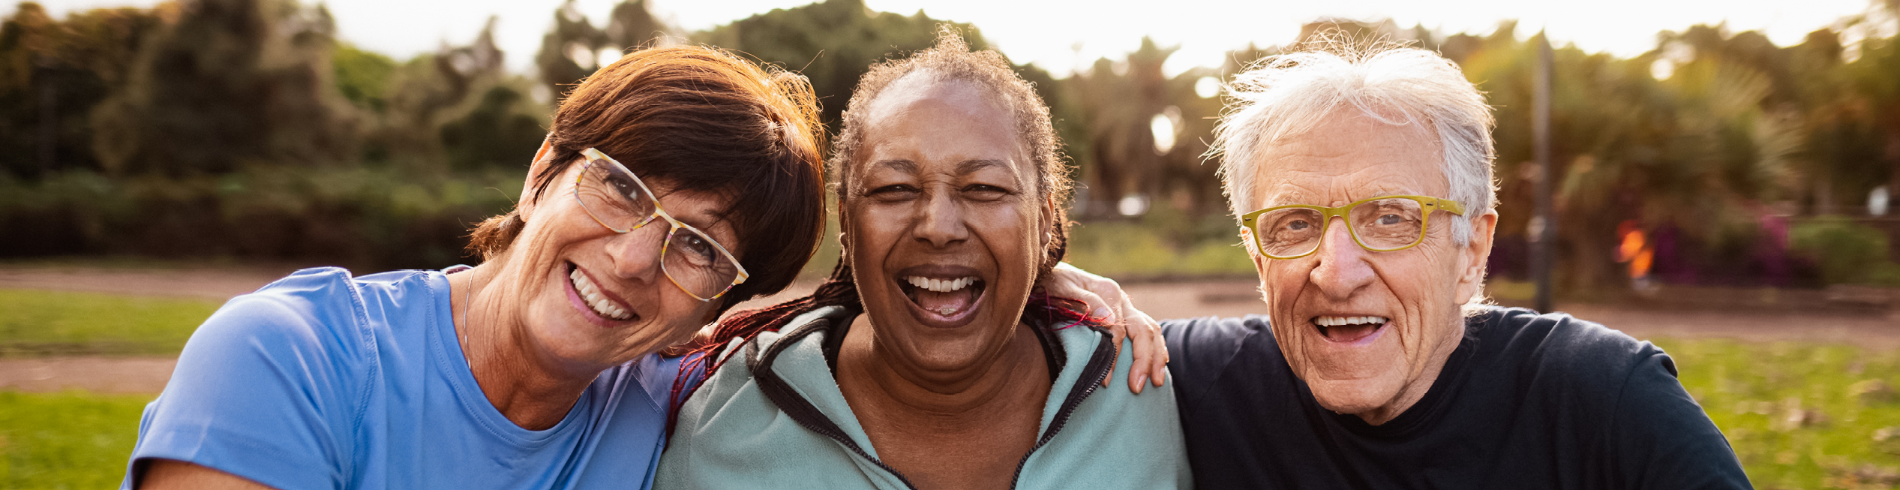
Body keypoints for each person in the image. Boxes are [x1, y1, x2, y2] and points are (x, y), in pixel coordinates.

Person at [119, 43, 1161, 490]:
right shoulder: (288, 357)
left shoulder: (666, 395)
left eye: (698, 248)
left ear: (715, 299)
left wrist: (1032, 283)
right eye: (620, 187)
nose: (630, 260)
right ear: (543, 169)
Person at [1146, 43, 1754, 488]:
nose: (1336, 272)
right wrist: (1064, 285)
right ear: (1259, 260)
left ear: (1472, 252)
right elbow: (1053, 342)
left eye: (1389, 219)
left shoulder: (1606, 402)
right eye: (1295, 224)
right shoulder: (1192, 379)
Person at [656, 31, 1190, 490]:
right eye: (894, 188)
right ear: (848, 223)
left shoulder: (1138, 388)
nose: (937, 226)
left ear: (1046, 219)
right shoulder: (721, 422)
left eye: (984, 187)